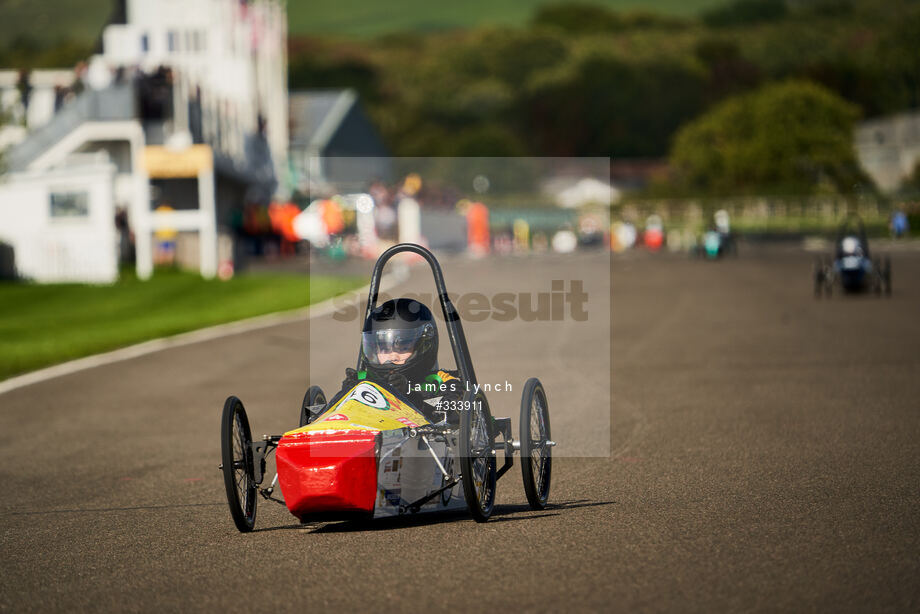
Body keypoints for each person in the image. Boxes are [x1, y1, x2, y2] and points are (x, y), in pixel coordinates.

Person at [338, 298, 463, 423]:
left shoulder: (441, 381)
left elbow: (451, 414)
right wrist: (349, 390)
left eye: (402, 348)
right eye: (385, 349)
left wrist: (408, 397)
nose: (392, 356)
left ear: (424, 345)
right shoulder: (363, 378)